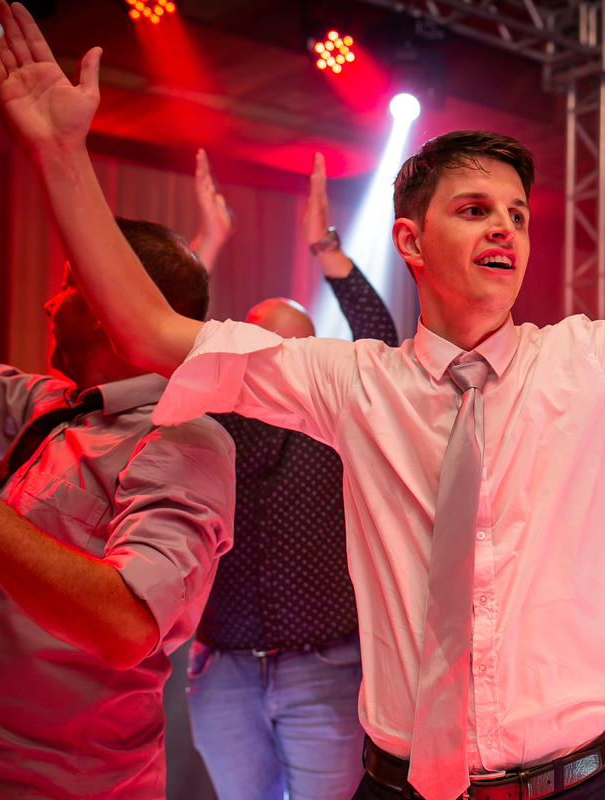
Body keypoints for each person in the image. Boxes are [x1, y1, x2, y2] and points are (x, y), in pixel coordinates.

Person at [0, 6, 605, 798]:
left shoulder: (589, 359)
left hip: (579, 782)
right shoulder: (353, 382)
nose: (506, 228)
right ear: (409, 241)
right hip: (402, 785)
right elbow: (150, 332)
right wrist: (61, 156)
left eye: (518, 214)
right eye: (474, 209)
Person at [184, 153, 401, 800]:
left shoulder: (336, 422)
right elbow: (156, 337)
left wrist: (323, 248)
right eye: (255, 343)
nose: (269, 360)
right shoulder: (205, 415)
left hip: (325, 667)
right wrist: (206, 246)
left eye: (288, 350)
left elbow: (381, 342)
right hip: (223, 670)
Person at [0, 217, 236, 798]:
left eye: (69, 285)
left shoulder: (182, 440)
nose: (50, 302)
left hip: (61, 780)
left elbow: (128, 626)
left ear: (110, 306)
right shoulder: (56, 403)